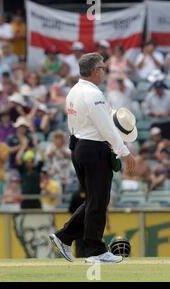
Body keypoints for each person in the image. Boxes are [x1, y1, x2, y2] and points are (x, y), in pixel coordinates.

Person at [49, 53, 136, 264]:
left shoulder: (74, 91)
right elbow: (106, 128)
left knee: (93, 200)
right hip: (94, 148)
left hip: (79, 146)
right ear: (96, 71)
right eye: (103, 68)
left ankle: (64, 237)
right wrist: (124, 152)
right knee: (98, 201)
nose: (105, 72)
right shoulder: (94, 94)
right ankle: (94, 250)